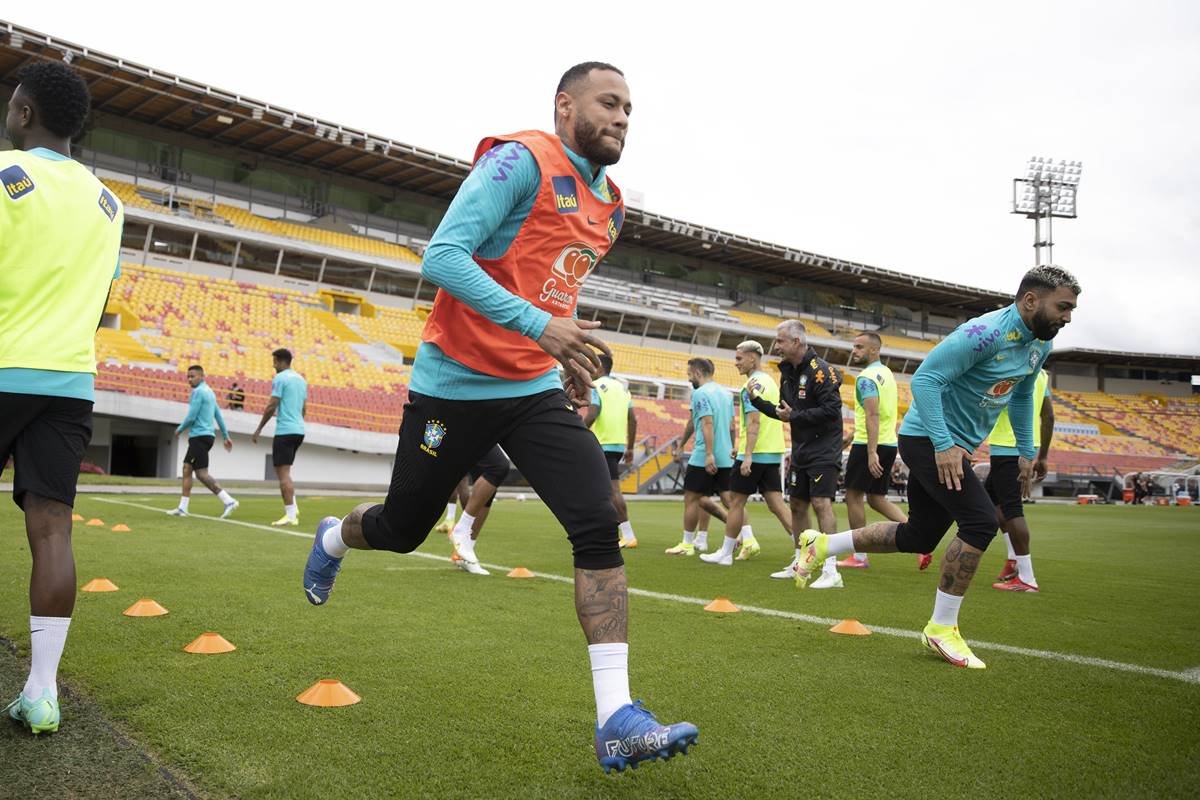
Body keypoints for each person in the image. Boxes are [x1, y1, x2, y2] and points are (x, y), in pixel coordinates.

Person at [300, 62, 696, 772]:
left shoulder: (612, 206)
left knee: (598, 514)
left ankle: (616, 716)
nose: (623, 118)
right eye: (610, 103)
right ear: (564, 104)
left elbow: (555, 283)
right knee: (400, 529)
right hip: (451, 388)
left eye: (631, 109)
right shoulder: (520, 160)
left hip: (530, 389)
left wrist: (563, 351)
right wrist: (538, 324)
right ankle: (334, 538)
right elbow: (442, 256)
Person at [794, 265, 1080, 668]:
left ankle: (823, 544)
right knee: (980, 522)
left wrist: (1027, 449)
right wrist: (945, 445)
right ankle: (941, 628)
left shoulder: (1039, 344)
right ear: (1031, 300)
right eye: (1063, 307)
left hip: (953, 444)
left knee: (921, 535)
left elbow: (1018, 396)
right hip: (928, 438)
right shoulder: (983, 334)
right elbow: (926, 381)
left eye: (1071, 310)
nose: (1067, 317)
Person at [1, 61, 124, 735]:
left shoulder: (1, 178)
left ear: (24, 113)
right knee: (52, 530)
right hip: (69, 379)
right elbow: (101, 305)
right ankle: (42, 695)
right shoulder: (111, 204)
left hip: (1, 364)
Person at [748, 321, 845, 586]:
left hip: (824, 448)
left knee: (821, 504)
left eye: (780, 341)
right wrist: (757, 401)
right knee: (797, 505)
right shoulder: (787, 372)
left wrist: (796, 415)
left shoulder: (822, 371)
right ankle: (800, 563)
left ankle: (831, 570)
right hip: (801, 448)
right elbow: (784, 413)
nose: (776, 345)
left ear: (797, 342)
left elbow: (832, 411)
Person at [838, 332, 931, 571]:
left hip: (871, 445)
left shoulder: (866, 378)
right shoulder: (886, 374)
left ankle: (859, 557)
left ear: (874, 350)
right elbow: (875, 414)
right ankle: (922, 540)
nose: (854, 351)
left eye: (859, 347)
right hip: (888, 443)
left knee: (853, 496)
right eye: (854, 346)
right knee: (877, 499)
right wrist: (850, 438)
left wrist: (870, 452)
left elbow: (872, 414)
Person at [700, 341, 791, 566]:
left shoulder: (752, 384)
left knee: (735, 502)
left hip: (755, 453)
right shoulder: (769, 380)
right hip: (770, 451)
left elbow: (754, 421)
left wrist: (747, 454)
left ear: (753, 358)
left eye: (739, 358)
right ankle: (805, 549)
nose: (736, 362)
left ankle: (726, 552)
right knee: (777, 504)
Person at [987, 368, 1053, 592]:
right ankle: (1014, 559)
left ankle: (1027, 577)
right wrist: (1042, 455)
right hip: (1023, 445)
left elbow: (993, 404)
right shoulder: (1042, 374)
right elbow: (1049, 416)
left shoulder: (1012, 368)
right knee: (990, 502)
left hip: (1008, 446)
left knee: (1011, 509)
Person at [667, 359, 735, 556]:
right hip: (726, 454)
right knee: (730, 501)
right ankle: (745, 538)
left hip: (704, 453)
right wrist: (730, 448)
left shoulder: (699, 393)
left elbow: (706, 422)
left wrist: (708, 454)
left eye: (689, 374)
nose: (688, 378)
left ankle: (687, 543)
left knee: (692, 498)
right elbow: (731, 426)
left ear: (697, 373)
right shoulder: (726, 394)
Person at [166, 365, 237, 518]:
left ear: (202, 376)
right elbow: (217, 415)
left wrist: (180, 429)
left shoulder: (198, 392)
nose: (189, 379)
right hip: (206, 437)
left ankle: (228, 500)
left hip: (199, 437)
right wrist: (225, 435)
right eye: (188, 377)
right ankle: (183, 508)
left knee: (199, 473)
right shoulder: (210, 392)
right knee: (191, 470)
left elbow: (191, 416)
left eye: (192, 376)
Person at [583, 354, 639, 548]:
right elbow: (633, 419)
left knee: (612, 490)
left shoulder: (596, 386)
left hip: (602, 443)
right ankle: (603, 530)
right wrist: (630, 447)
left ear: (598, 368)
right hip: (617, 445)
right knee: (597, 489)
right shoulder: (622, 389)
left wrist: (577, 432)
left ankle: (628, 534)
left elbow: (593, 412)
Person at [251, 348, 307, 526]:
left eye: (275, 361)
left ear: (283, 362)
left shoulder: (280, 378)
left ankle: (290, 515)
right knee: (286, 472)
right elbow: (304, 408)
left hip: (285, 430)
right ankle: (294, 507)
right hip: (299, 430)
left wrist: (259, 428)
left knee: (282, 474)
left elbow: (272, 405)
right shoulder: (301, 379)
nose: (273, 365)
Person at [448, 444, 511, 576]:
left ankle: (465, 554)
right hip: (468, 428)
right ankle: (461, 529)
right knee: (498, 467)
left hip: (480, 428)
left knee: (487, 486)